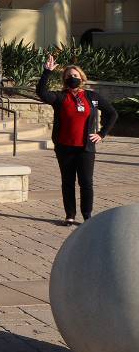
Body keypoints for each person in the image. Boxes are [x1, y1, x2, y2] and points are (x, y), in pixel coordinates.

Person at [37, 55, 117, 225]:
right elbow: (42, 93)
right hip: (64, 147)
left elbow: (112, 113)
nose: (72, 78)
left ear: (81, 77)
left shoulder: (92, 96)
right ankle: (70, 215)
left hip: (85, 148)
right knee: (67, 183)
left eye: (75, 75)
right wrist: (47, 72)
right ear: (65, 80)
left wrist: (101, 134)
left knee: (86, 182)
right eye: (68, 76)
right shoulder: (60, 97)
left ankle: (87, 216)